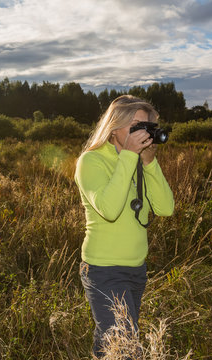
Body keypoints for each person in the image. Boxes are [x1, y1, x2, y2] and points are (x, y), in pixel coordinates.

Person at [74, 95, 174, 358]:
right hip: (104, 270)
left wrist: (150, 163)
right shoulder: (91, 160)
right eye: (136, 126)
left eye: (147, 127)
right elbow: (109, 209)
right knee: (126, 347)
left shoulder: (139, 161)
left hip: (136, 270)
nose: (142, 134)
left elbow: (165, 208)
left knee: (110, 343)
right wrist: (129, 155)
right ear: (114, 126)